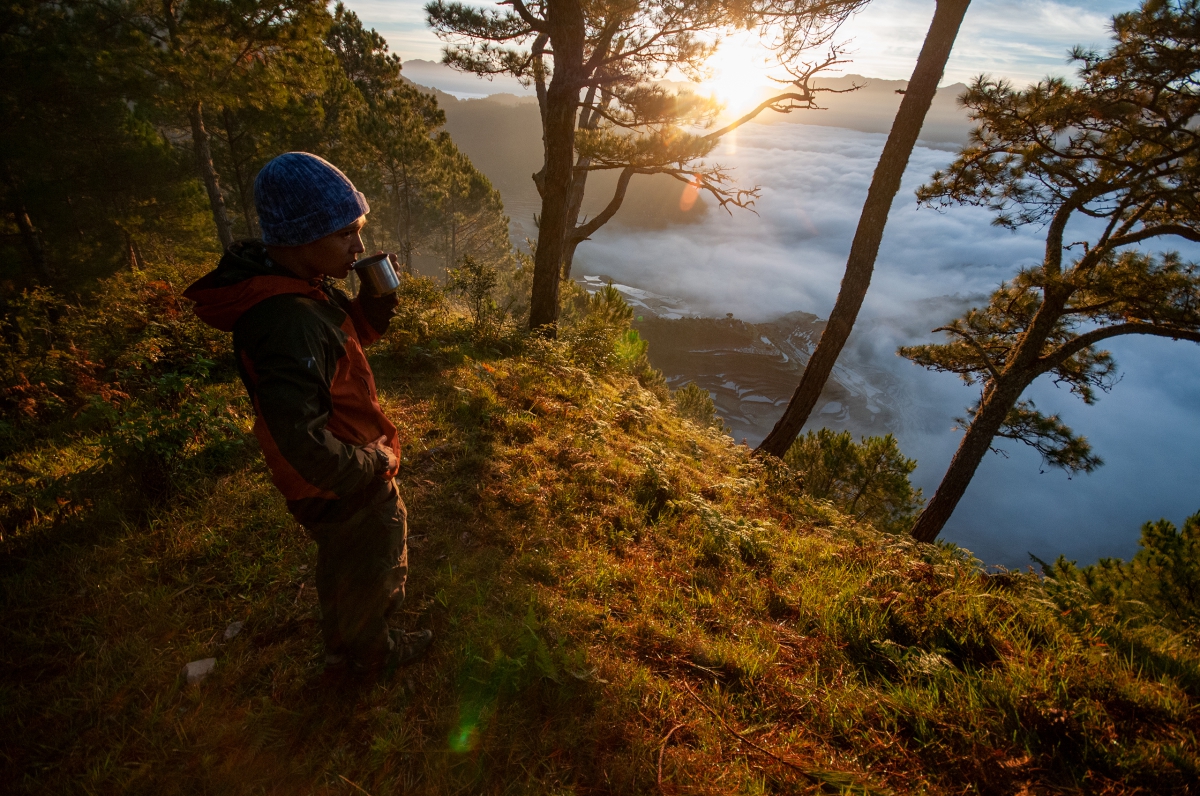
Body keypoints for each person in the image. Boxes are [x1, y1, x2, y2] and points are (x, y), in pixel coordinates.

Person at [184, 152, 431, 675]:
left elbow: (343, 344)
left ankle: (346, 645)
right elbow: (303, 441)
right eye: (346, 234)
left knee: (347, 564)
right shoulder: (287, 320)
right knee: (374, 559)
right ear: (301, 238)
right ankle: (370, 656)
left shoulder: (301, 289)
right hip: (340, 482)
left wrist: (374, 300)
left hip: (338, 474)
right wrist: (375, 461)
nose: (359, 246)